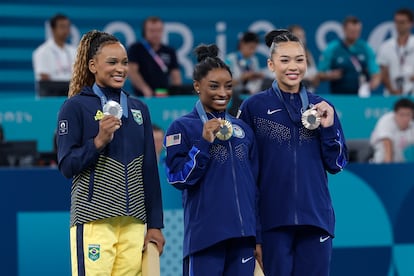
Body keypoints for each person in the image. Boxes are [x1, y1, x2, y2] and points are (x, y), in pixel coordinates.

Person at [238, 29, 348, 276]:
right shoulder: (253, 107)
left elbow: (337, 164)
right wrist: (254, 231)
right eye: (285, 60)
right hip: (272, 223)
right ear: (270, 64)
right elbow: (245, 173)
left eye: (299, 59)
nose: (293, 66)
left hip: (315, 219)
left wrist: (329, 128)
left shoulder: (321, 107)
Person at [56, 30, 164, 275]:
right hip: (94, 220)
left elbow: (149, 170)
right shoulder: (75, 107)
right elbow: (66, 165)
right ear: (93, 65)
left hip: (134, 223)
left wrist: (155, 225)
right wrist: (98, 141)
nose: (120, 69)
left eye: (124, 62)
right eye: (112, 62)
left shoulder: (139, 110)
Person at [164, 44, 261, 276]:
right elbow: (177, 178)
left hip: (244, 236)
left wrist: (257, 234)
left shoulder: (243, 129)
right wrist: (204, 142)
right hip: (206, 237)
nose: (223, 93)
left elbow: (255, 185)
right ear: (197, 86)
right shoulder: (182, 127)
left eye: (228, 86)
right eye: (214, 86)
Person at [317, 16, 381, 96]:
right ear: (344, 29)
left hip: (361, 97)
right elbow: (320, 74)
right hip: (339, 96)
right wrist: (330, 75)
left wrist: (374, 83)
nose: (354, 34)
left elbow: (375, 73)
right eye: (351, 31)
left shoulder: (365, 48)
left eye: (357, 31)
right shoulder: (332, 48)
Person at [127, 16, 182, 97]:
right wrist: (144, 89)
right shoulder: (136, 49)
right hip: (142, 96)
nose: (156, 34)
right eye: (152, 31)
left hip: (164, 95)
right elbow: (132, 72)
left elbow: (176, 76)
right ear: (145, 32)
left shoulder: (169, 51)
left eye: (158, 31)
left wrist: (176, 93)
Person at [32, 13, 77, 96]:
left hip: (71, 95)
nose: (66, 30)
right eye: (62, 27)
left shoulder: (74, 51)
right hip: (52, 97)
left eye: (67, 27)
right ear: (53, 29)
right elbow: (44, 79)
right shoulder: (42, 52)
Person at [376, 8, 414, 96]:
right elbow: (383, 72)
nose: (399, 25)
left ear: (411, 23)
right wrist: (392, 90)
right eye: (397, 22)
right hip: (392, 94)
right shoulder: (386, 46)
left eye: (402, 22)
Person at [370, 98, 414, 163]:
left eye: (408, 114)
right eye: (402, 115)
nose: (405, 118)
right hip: (381, 162)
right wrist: (389, 169)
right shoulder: (386, 121)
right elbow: (388, 148)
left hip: (402, 162)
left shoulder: (412, 124)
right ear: (395, 114)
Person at [288, 24, 319, 92]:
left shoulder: (307, 53)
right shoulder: (284, 55)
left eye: (303, 36)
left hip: (308, 94)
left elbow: (314, 75)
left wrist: (315, 78)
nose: (302, 39)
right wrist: (306, 79)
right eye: (298, 36)